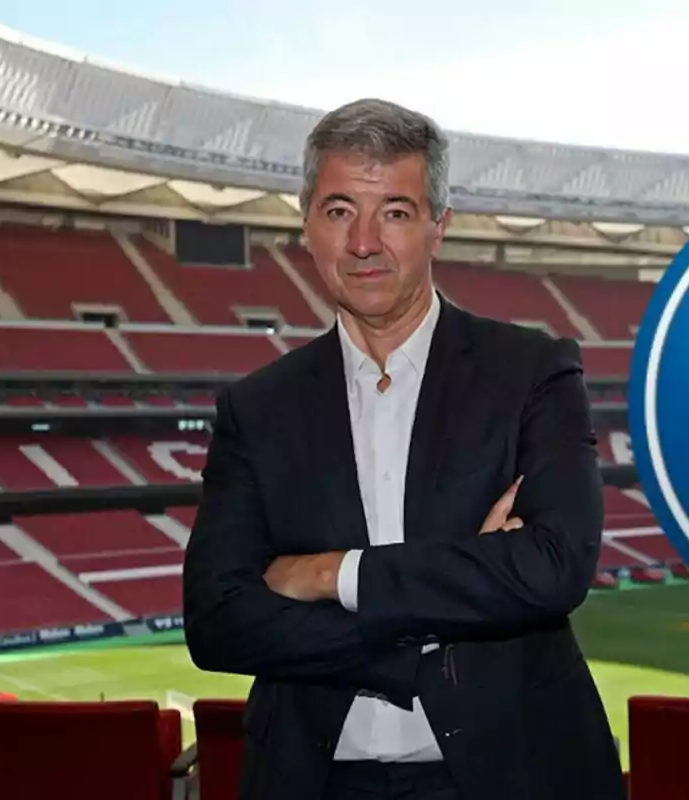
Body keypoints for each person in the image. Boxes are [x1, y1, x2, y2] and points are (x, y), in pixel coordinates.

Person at [181, 98, 626, 800]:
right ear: (306, 227)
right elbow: (216, 622)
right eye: (337, 211)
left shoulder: (533, 370)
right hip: (316, 779)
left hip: (511, 776)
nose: (363, 243)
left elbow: (554, 567)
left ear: (437, 228)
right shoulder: (257, 407)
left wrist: (333, 576)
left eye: (394, 211)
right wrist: (437, 611)